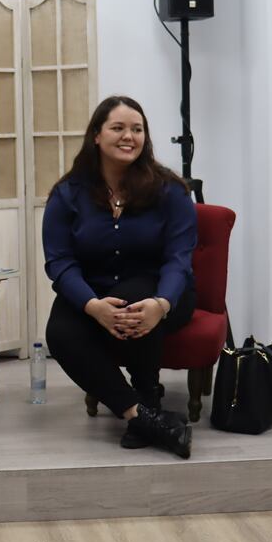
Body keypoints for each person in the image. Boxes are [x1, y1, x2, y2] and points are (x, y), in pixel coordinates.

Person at [41, 95, 198, 458]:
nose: (129, 136)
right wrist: (92, 305)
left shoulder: (170, 190)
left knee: (135, 301)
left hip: (162, 289)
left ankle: (148, 393)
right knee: (59, 331)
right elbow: (60, 262)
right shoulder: (68, 194)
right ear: (96, 135)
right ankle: (140, 413)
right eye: (118, 128)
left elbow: (179, 258)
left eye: (137, 129)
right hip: (95, 291)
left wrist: (162, 303)